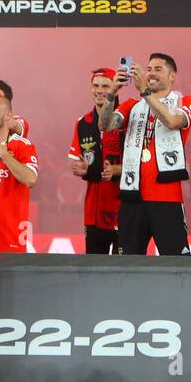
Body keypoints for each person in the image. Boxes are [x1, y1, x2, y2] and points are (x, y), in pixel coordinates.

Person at [100, 53, 191, 255]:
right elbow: (105, 125)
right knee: (127, 266)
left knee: (175, 265)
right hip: (132, 197)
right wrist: (112, 92)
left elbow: (172, 122)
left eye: (158, 69)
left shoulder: (185, 101)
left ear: (172, 76)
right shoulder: (130, 105)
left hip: (167, 198)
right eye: (149, 69)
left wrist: (145, 91)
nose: (151, 73)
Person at [69, 69, 124, 253]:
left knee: (122, 272)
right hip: (93, 211)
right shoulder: (82, 122)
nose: (99, 90)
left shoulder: (127, 118)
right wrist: (83, 168)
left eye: (105, 86)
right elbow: (80, 161)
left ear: (114, 88)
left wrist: (117, 169)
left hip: (122, 207)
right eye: (95, 85)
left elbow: (140, 163)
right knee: (93, 270)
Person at [0, 93, 39, 252]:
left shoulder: (22, 145)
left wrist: (5, 155)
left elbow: (31, 179)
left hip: (10, 235)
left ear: (8, 116)